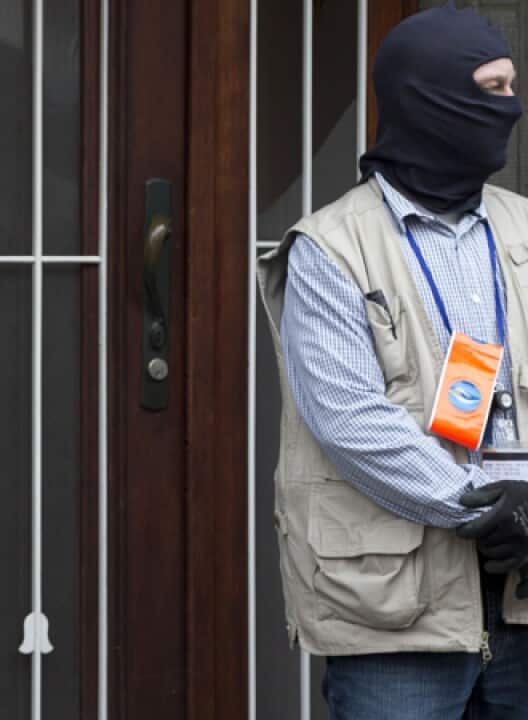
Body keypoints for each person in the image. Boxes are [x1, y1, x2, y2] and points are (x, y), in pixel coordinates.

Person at [257, 5, 528, 718]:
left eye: (512, 86)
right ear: (430, 99)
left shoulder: (524, 226)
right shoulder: (330, 248)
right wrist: (488, 510)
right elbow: (351, 420)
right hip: (398, 611)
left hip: (522, 593)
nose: (512, 107)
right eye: (492, 89)